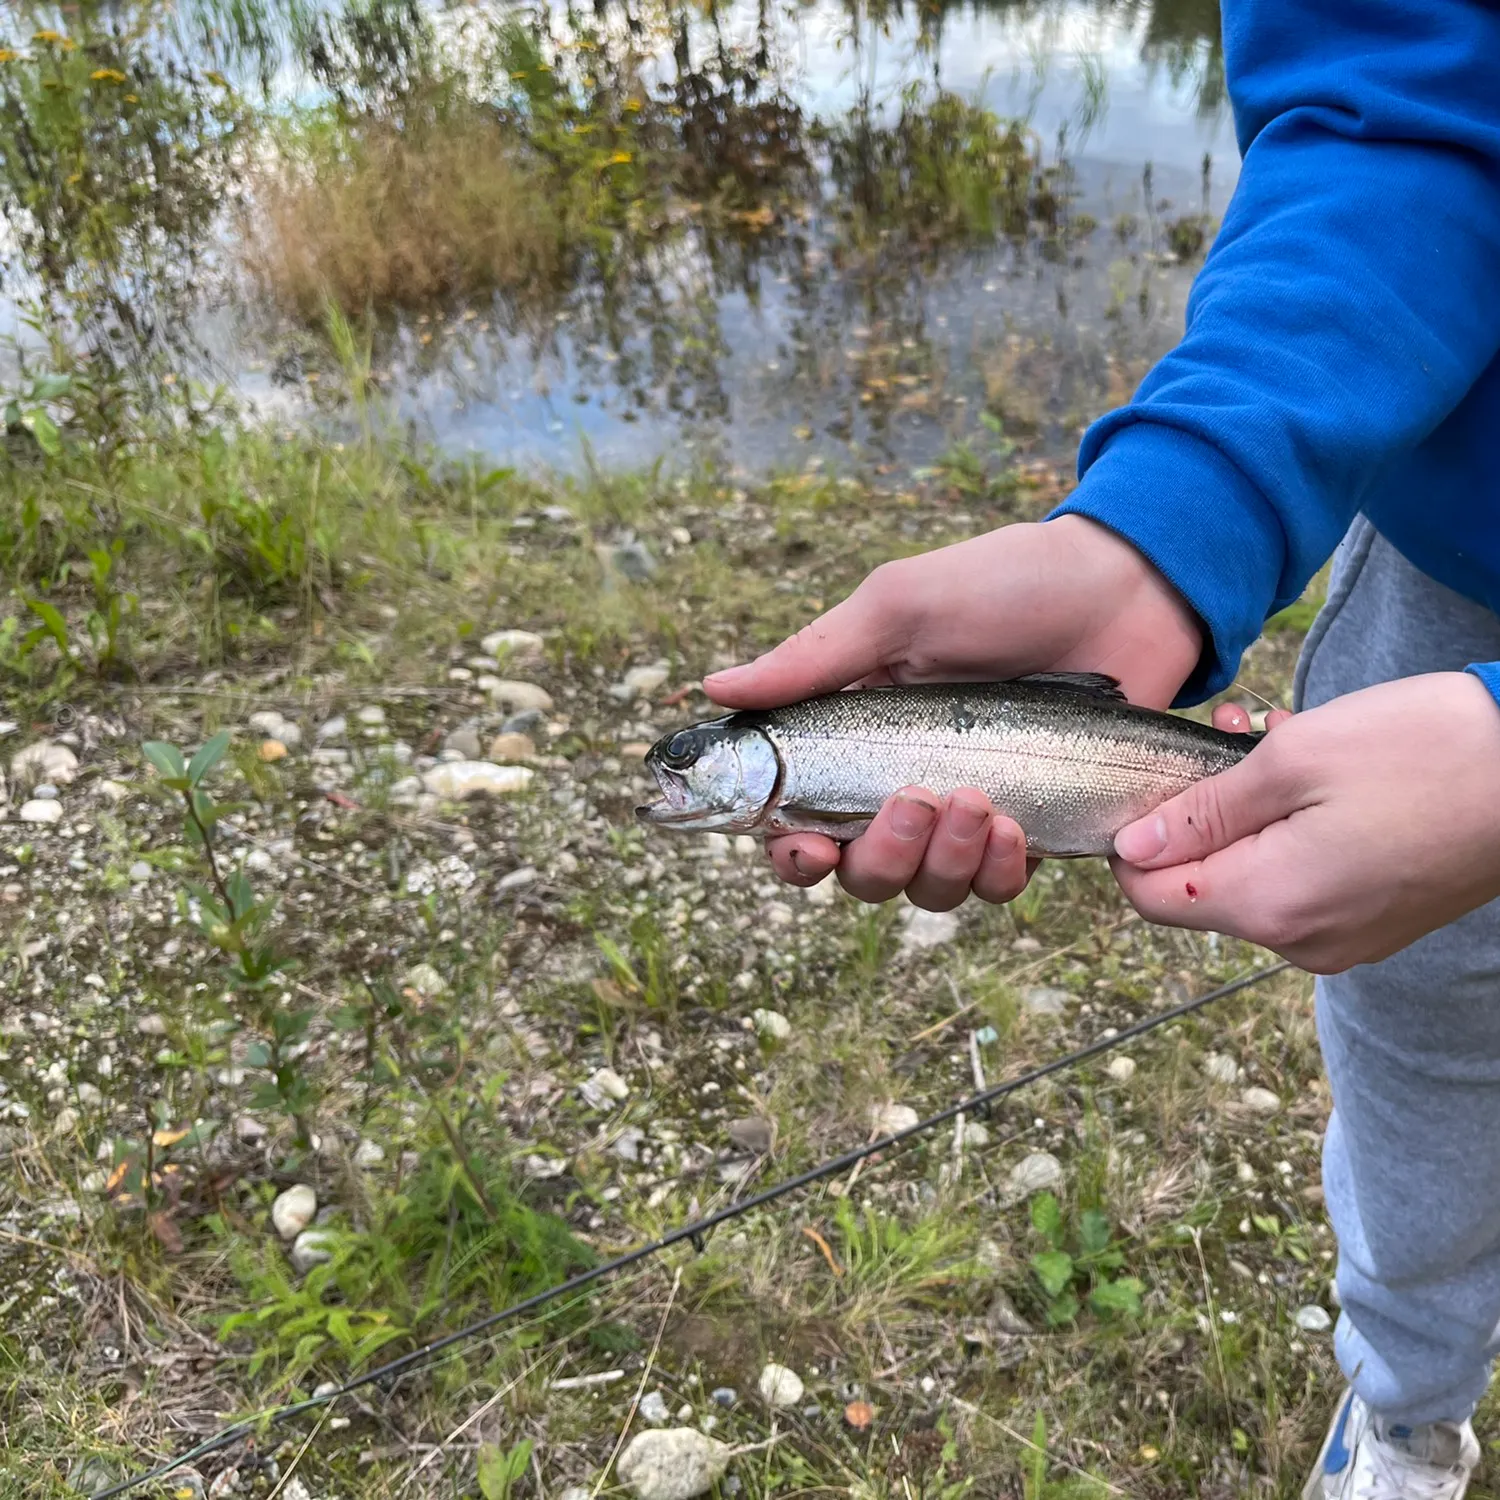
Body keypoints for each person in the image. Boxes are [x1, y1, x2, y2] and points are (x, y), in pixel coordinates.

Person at [702, 2, 1500, 1496]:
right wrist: (1163, 531)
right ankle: (1406, 1411)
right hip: (1457, 582)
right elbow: (1405, 117)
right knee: (1417, 1051)